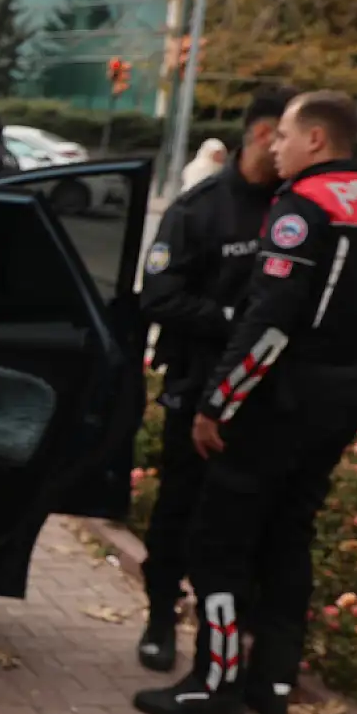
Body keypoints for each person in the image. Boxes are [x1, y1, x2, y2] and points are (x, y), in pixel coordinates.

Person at [134, 91, 357, 714]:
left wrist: (217, 404)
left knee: (216, 544)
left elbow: (268, 324)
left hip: (280, 399)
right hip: (342, 392)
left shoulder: (301, 208)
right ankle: (271, 681)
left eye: (286, 136)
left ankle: (214, 684)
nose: (276, 145)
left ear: (316, 141)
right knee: (289, 536)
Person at [134, 87, 297, 672]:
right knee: (179, 508)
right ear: (262, 134)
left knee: (245, 522)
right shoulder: (199, 208)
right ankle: (159, 619)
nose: (288, 148)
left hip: (264, 396)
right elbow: (159, 296)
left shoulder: (295, 208)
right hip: (198, 387)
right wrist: (231, 321)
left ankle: (224, 640)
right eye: (285, 135)